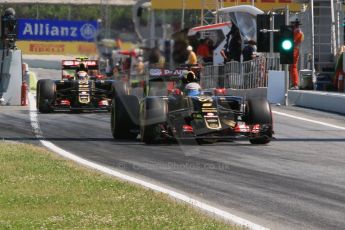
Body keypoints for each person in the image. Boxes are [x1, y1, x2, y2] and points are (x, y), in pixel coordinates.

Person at [290, 19, 304, 90]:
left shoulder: (297, 31)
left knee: (293, 67)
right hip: (295, 50)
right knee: (292, 67)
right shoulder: (299, 31)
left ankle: (295, 84)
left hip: (294, 50)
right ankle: (294, 84)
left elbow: (292, 40)